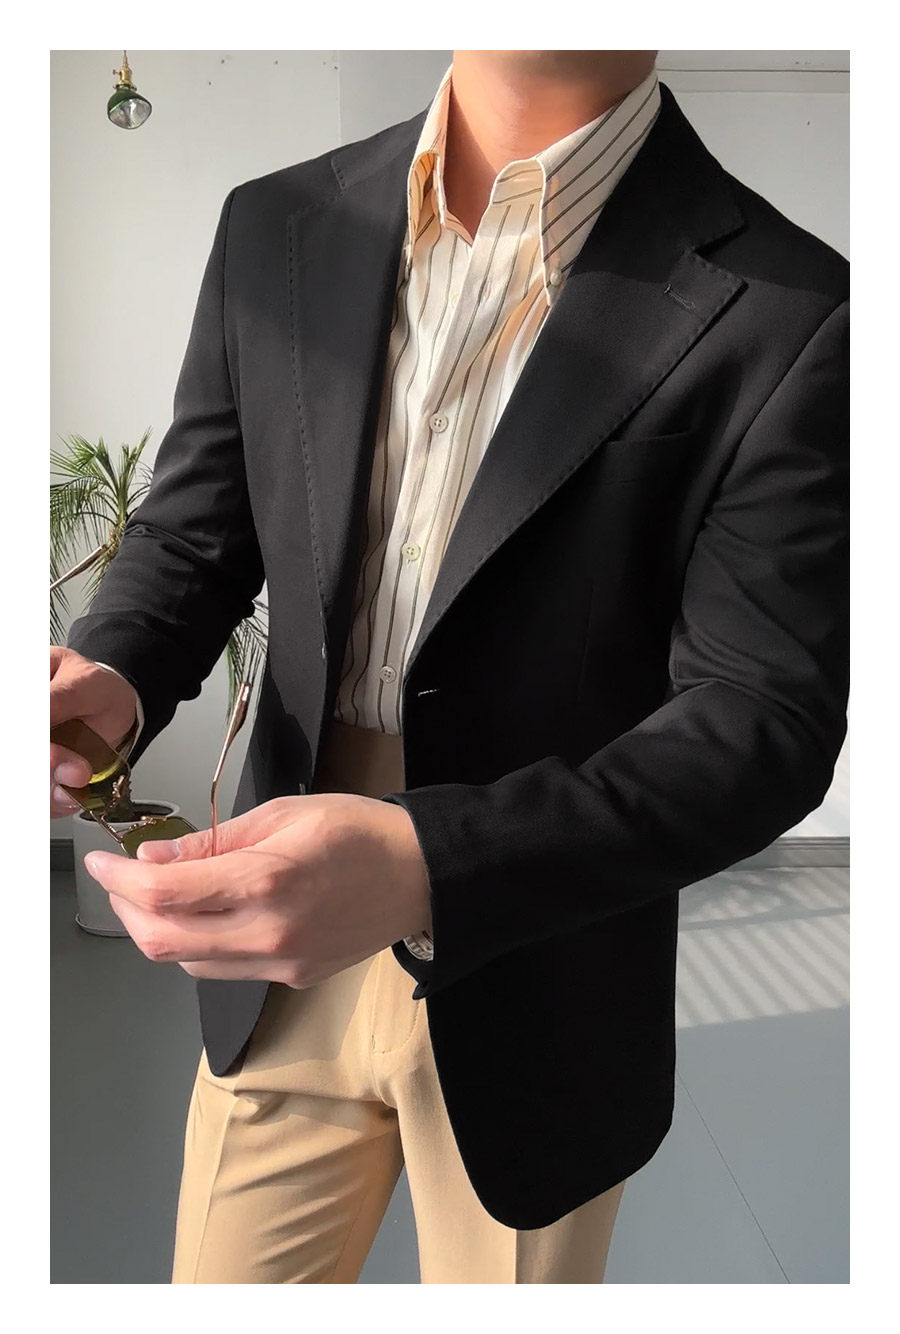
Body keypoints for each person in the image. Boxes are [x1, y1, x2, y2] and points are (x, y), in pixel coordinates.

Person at [49, 50, 849, 1284]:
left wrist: (433, 861)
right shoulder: (276, 223)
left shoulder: (795, 304)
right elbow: (197, 532)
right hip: (276, 928)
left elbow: (760, 716)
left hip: (542, 951)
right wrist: (115, 671)